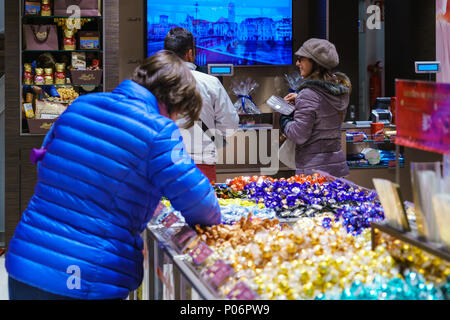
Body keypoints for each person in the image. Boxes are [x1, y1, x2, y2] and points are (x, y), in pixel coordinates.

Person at [6, 50, 221, 300]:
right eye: (178, 113)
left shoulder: (79, 105)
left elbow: (45, 163)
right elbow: (201, 204)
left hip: (26, 263)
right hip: (84, 277)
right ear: (172, 101)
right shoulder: (158, 131)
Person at [164, 27, 239, 184]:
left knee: (166, 209)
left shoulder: (152, 85)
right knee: (202, 209)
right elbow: (230, 124)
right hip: (202, 164)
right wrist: (214, 139)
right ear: (190, 53)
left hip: (164, 165)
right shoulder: (211, 83)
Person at [280, 38, 352, 178]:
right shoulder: (341, 91)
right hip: (338, 168)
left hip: (313, 174)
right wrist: (301, 98)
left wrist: (285, 117)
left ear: (315, 63)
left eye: (301, 59)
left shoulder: (308, 94)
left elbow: (298, 135)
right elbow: (323, 108)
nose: (297, 63)